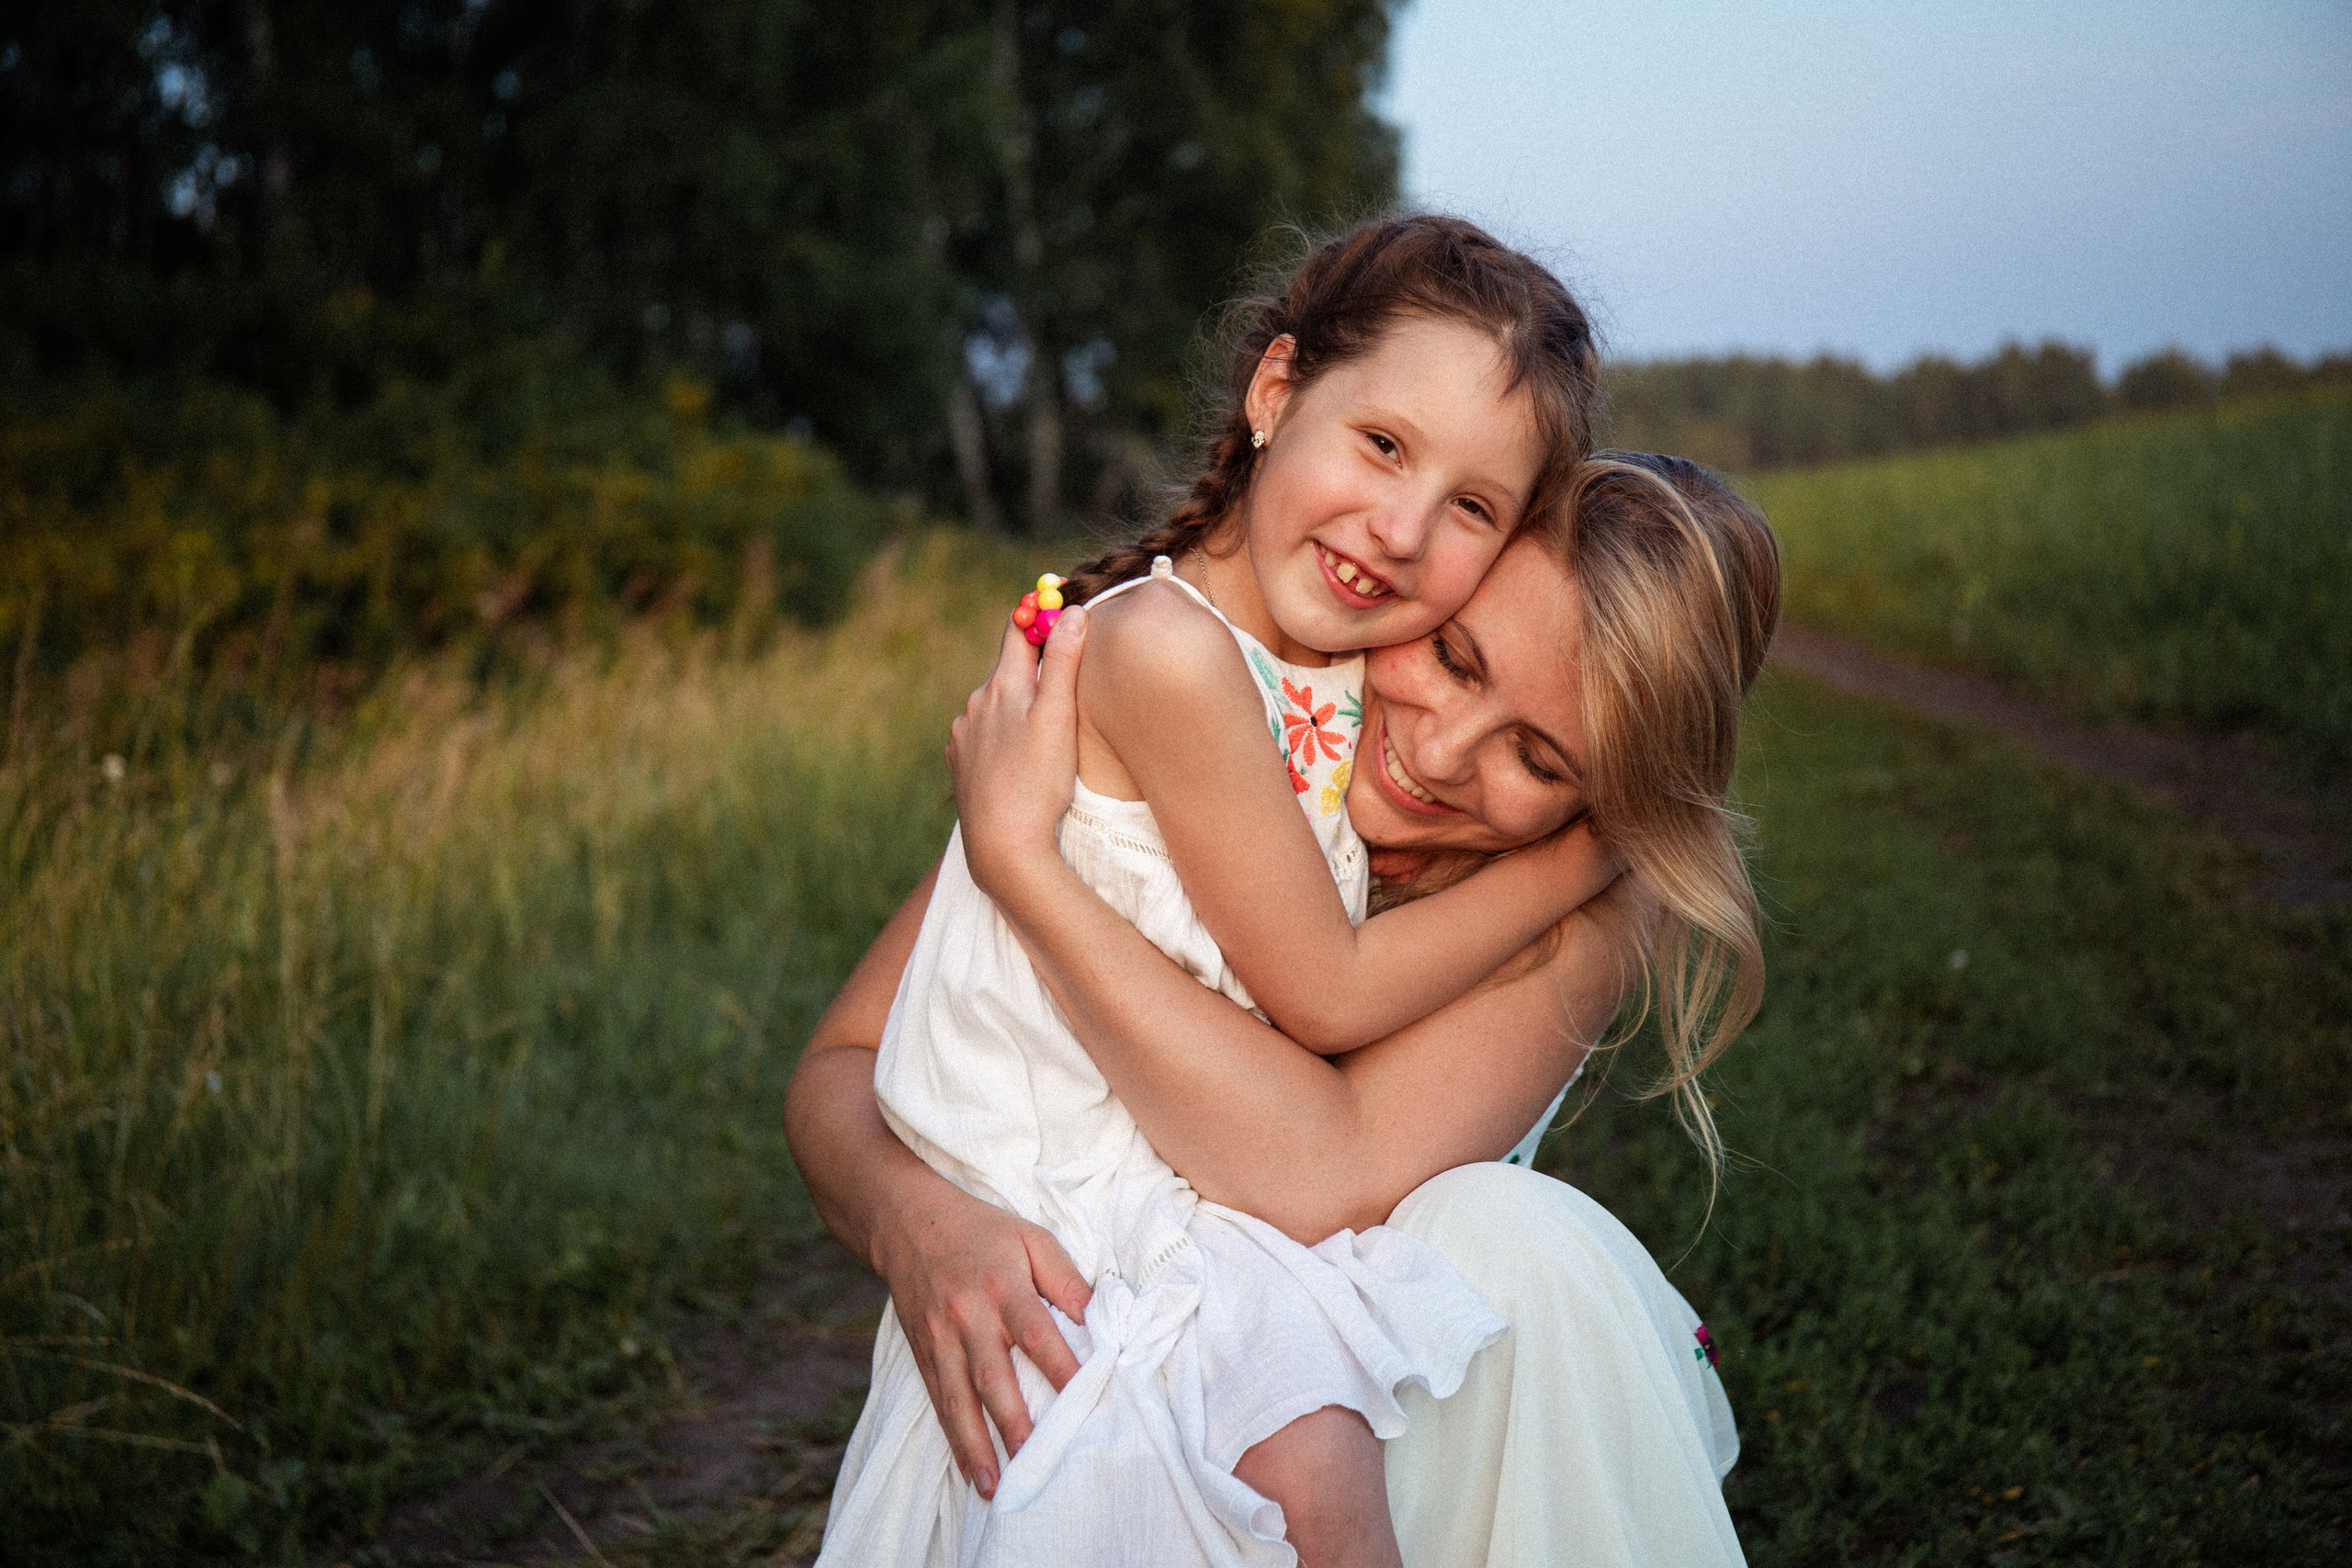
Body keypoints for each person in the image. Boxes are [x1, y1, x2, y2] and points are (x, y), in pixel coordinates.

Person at [788, 451, 1781, 1567]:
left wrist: (1028, 874)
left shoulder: (1574, 911)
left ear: (1605, 806)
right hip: (1081, 1376)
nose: (1441, 751)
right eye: (1453, 656)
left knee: (1524, 1243)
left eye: (1539, 760)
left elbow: (1318, 1178)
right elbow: (843, 1060)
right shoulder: (1220, 720)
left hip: (1392, 1451)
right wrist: (915, 1219)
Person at [811, 216, 1611, 1568]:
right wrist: (1590, 853)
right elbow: (1327, 991)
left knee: (1313, 1469)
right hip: (1075, 1206)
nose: (1404, 527)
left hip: (1184, 1206)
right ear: (1274, 390)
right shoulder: (1165, 652)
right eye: (1383, 444)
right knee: (1294, 1476)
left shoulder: (1334, 676)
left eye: (1473, 505)